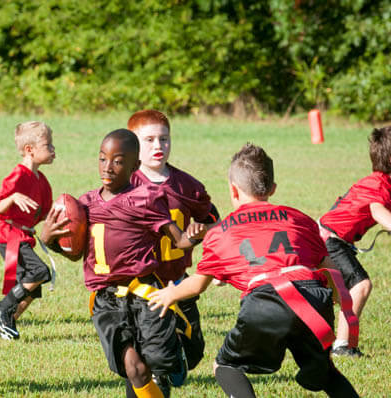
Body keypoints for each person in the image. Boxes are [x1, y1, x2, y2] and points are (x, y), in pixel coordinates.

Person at [147, 143, 359, 398]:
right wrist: (337, 295)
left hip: (266, 301)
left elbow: (197, 284)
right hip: (313, 299)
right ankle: (317, 372)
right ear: (272, 189)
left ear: (233, 191)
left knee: (226, 366)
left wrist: (169, 295)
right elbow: (329, 267)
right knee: (327, 373)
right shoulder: (299, 218)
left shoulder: (221, 231)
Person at [41, 129, 205, 398]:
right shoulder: (86, 204)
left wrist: (194, 236)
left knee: (158, 363)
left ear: (134, 166)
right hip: (106, 300)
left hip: (146, 292)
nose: (108, 167)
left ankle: (177, 340)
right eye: (102, 159)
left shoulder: (146, 199)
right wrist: (50, 240)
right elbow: (75, 255)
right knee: (133, 368)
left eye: (118, 161)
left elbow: (180, 241)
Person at [128, 110, 220, 378]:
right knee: (154, 353)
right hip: (143, 283)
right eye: (149, 140)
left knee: (193, 354)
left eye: (164, 139)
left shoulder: (188, 186)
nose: (158, 146)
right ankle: (154, 378)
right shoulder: (126, 185)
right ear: (133, 145)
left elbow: (216, 225)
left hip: (179, 278)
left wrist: (201, 230)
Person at [319, 125, 391, 357]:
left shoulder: (380, 182)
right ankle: (342, 346)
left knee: (335, 296)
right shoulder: (378, 186)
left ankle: (334, 342)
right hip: (330, 240)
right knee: (360, 286)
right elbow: (378, 211)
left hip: (329, 239)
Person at [0, 121, 56, 340]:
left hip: (24, 236)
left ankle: (3, 327)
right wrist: (13, 197)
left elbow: (45, 214)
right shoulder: (18, 175)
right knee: (39, 272)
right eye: (48, 145)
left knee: (32, 287)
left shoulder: (42, 181)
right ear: (30, 150)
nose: (53, 149)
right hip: (9, 236)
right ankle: (1, 309)